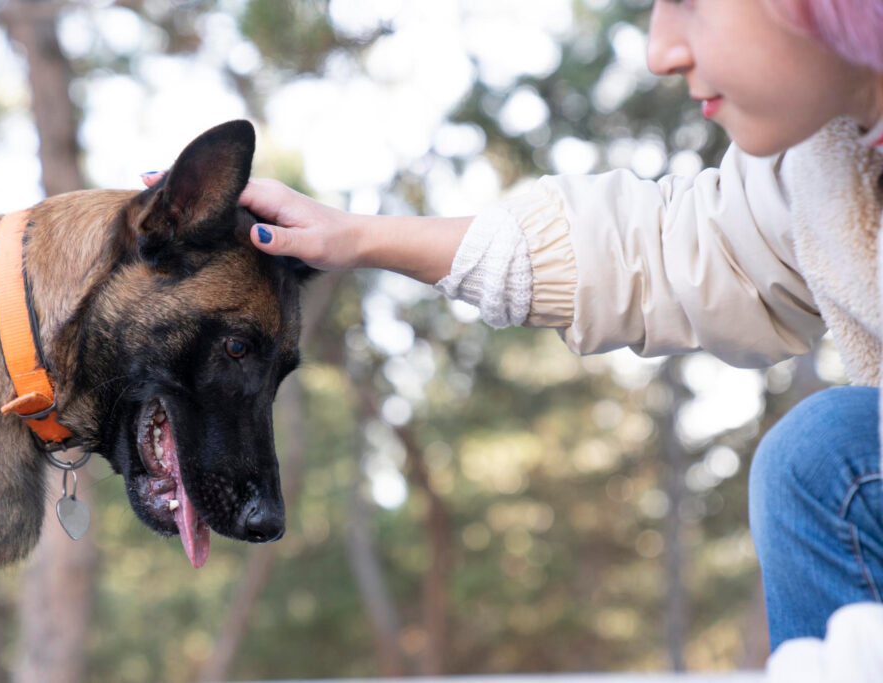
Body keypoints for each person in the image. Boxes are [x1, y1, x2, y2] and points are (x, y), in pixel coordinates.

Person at [145, 0, 883, 675]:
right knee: (822, 456)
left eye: (692, 2)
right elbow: (666, 251)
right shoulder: (823, 165)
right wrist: (360, 235)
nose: (661, 50)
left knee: (823, 457)